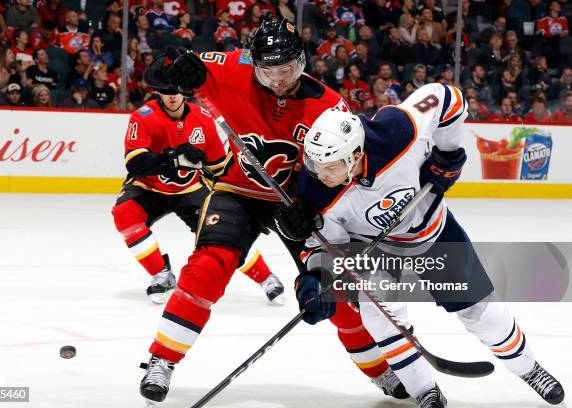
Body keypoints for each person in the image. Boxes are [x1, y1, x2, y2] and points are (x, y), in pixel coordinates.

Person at [138, 19, 407, 404]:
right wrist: (170, 68)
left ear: (302, 62)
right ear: (254, 63)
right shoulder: (229, 69)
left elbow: (339, 173)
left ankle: (380, 369)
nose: (279, 80)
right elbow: (160, 72)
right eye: (269, 71)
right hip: (237, 191)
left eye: (287, 70)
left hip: (296, 201)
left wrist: (311, 208)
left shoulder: (330, 106)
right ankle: (161, 360)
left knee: (335, 287)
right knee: (207, 267)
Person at [280, 83, 565, 407]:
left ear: (356, 154)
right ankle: (425, 392)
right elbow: (330, 247)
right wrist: (319, 281)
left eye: (329, 166)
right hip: (376, 249)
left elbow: (449, 97)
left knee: (482, 311)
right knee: (380, 315)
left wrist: (448, 153)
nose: (320, 173)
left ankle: (528, 368)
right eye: (315, 164)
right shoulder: (316, 187)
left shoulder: (396, 133)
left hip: (430, 232)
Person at [112, 48, 285, 305]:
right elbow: (135, 163)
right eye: (166, 92)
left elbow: (218, 168)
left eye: (176, 91)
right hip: (148, 188)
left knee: (225, 230)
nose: (172, 98)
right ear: (157, 92)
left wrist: (244, 196)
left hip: (191, 189)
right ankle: (161, 274)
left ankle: (266, 278)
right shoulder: (143, 117)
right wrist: (172, 160)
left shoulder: (203, 119)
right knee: (124, 213)